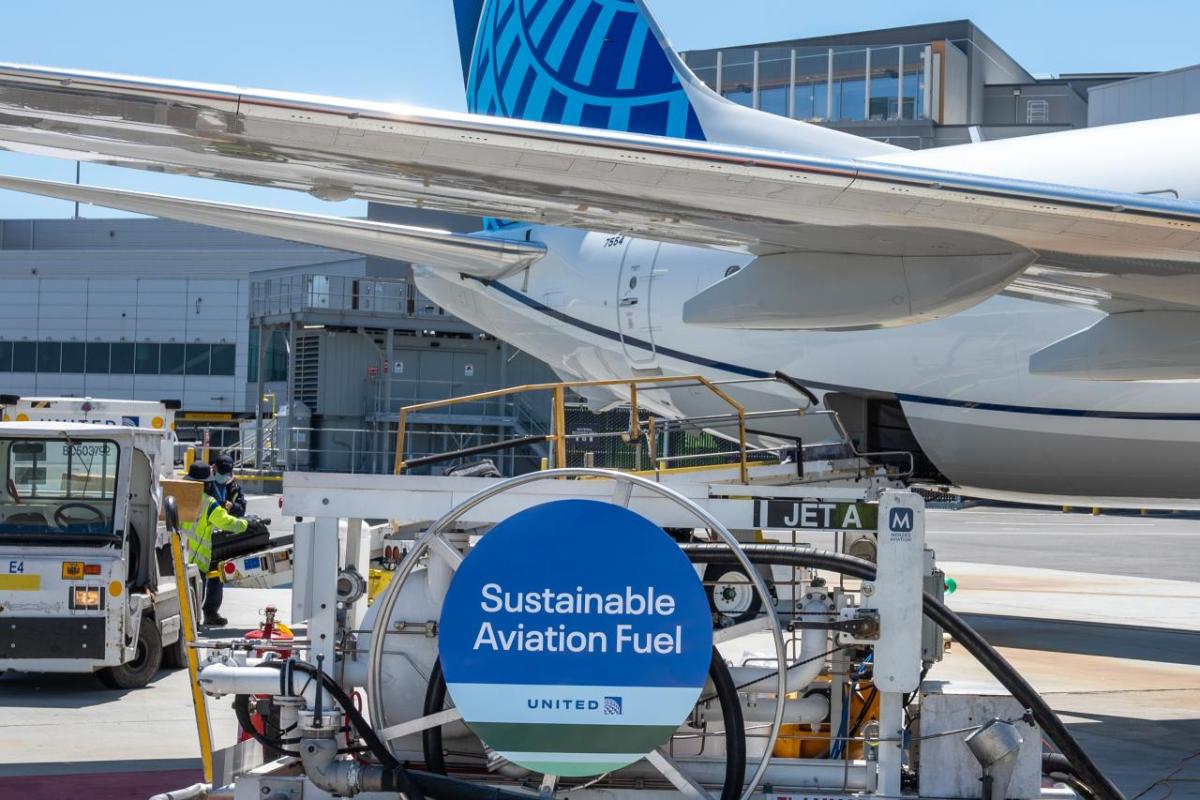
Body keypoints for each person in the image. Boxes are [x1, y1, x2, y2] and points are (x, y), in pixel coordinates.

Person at [182, 461, 249, 627]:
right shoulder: (208, 503)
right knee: (195, 592)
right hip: (197, 559)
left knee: (183, 594)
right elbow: (226, 522)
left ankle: (188, 621)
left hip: (177, 555)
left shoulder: (179, 497)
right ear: (206, 483)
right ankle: (195, 622)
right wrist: (246, 525)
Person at [206, 453, 247, 517]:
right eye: (221, 472)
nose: (224, 475)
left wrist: (232, 506)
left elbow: (242, 510)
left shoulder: (234, 487)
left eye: (227, 473)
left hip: (225, 523)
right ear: (214, 467)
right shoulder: (206, 483)